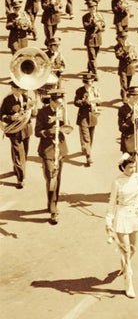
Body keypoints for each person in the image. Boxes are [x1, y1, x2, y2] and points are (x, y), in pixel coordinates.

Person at [105, 153, 138, 298]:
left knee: (133, 249)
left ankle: (124, 264)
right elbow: (112, 203)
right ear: (123, 168)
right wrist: (108, 221)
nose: (132, 170)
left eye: (134, 166)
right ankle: (128, 283)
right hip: (121, 217)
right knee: (127, 252)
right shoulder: (117, 182)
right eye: (129, 167)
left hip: (134, 217)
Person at [35, 89, 71, 224]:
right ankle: (53, 210)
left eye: (61, 103)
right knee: (51, 177)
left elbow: (68, 128)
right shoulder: (42, 112)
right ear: (51, 101)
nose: (59, 105)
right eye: (57, 103)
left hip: (60, 149)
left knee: (58, 178)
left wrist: (64, 122)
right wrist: (50, 130)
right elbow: (37, 132)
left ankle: (52, 202)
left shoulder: (62, 110)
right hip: (48, 149)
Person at [0, 81, 33, 188]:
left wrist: (33, 109)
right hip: (14, 131)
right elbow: (1, 116)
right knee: (18, 153)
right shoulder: (7, 100)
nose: (19, 91)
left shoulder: (27, 98)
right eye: (17, 89)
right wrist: (11, 118)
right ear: (12, 89)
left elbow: (34, 114)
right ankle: (21, 178)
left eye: (20, 89)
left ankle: (17, 168)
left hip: (26, 130)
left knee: (25, 153)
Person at [74, 72, 101, 167]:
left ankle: (86, 149)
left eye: (91, 82)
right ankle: (88, 156)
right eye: (87, 83)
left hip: (93, 116)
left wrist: (98, 101)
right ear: (84, 82)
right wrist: (85, 102)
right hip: (83, 116)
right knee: (86, 137)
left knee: (91, 135)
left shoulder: (95, 90)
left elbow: (99, 102)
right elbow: (76, 102)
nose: (89, 84)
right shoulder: (79, 91)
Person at [118, 86, 138, 162]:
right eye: (136, 96)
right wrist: (131, 120)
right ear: (130, 97)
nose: (137, 99)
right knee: (128, 164)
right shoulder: (123, 109)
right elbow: (121, 128)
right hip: (128, 140)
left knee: (136, 162)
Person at [82, 0, 106, 79]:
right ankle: (95, 74)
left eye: (94, 7)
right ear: (88, 8)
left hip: (98, 38)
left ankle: (90, 68)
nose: (92, 9)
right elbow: (86, 27)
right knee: (92, 57)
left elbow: (103, 25)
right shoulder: (85, 17)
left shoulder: (100, 15)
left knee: (94, 56)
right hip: (90, 39)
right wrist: (93, 23)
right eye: (90, 7)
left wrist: (100, 26)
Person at [114, 31, 138, 102]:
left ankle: (124, 93)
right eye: (122, 38)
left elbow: (135, 54)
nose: (124, 39)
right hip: (123, 67)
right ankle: (124, 98)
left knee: (128, 83)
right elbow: (118, 56)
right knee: (124, 83)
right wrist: (125, 54)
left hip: (130, 67)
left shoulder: (130, 45)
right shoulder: (117, 47)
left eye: (125, 38)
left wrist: (133, 57)